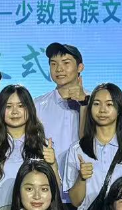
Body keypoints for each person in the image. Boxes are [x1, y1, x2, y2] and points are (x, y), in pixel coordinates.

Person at [64, 83, 122, 210]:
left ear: (119, 109)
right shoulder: (77, 149)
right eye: (96, 104)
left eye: (109, 104)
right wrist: (81, 178)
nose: (102, 110)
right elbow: (76, 202)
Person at [0, 85, 56, 210]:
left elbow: (54, 189)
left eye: (21, 106)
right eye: (8, 106)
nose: (15, 111)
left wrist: (53, 164)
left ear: (29, 109)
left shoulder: (43, 145)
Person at [33, 44, 88, 185]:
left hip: (87, 184)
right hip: (49, 184)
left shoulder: (97, 102)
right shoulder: (37, 105)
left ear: (80, 67)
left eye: (66, 63)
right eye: (53, 64)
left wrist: (85, 102)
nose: (59, 69)